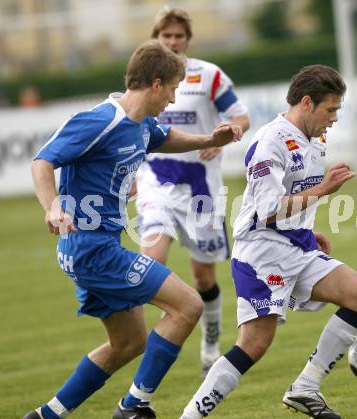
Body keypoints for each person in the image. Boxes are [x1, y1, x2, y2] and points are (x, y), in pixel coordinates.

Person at [24, 40, 242, 419]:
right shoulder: (100, 120)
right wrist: (53, 204)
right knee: (188, 306)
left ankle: (46, 415)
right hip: (91, 248)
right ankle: (133, 406)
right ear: (156, 84)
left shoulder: (141, 125)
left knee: (129, 343)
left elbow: (163, 138)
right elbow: (43, 161)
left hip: (96, 247)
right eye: (172, 89)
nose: (174, 99)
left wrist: (209, 139)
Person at [180, 65, 357, 419]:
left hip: (295, 244)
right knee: (254, 344)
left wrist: (306, 228)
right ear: (306, 103)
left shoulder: (314, 138)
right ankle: (190, 416)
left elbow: (290, 197)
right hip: (261, 251)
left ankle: (305, 388)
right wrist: (324, 190)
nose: (334, 118)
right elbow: (268, 212)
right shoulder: (271, 142)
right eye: (330, 109)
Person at [135, 7, 250, 377]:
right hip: (158, 180)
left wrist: (224, 136)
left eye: (178, 36)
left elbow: (241, 117)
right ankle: (161, 331)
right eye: (165, 36)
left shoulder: (209, 75)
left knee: (204, 277)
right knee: (151, 260)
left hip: (201, 186)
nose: (172, 42)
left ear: (187, 39)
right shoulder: (145, 76)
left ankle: (211, 341)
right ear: (157, 38)